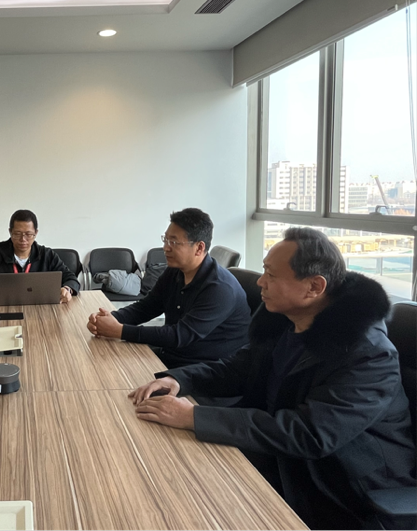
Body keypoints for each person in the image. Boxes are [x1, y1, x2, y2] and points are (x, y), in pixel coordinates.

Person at [129, 227, 416, 531]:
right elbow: (238, 369)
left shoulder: (369, 355)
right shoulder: (285, 320)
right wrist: (178, 380)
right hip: (281, 456)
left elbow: (309, 433)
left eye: (271, 275)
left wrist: (194, 417)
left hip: (343, 486)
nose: (260, 282)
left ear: (314, 286)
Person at [87, 208, 250, 367]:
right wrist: (109, 319)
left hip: (203, 369)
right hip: (173, 354)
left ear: (199, 248)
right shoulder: (174, 271)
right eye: (165, 240)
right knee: (102, 361)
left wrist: (120, 331)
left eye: (174, 242)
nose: (166, 247)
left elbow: (180, 335)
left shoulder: (220, 288)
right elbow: (146, 307)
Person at [0, 209, 80, 303]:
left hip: (41, 307)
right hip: (5, 307)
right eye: (17, 234)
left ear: (36, 233)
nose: (23, 239)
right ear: (10, 232)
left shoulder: (47, 255)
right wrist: (8, 291)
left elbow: (71, 279)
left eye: (28, 234)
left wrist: (67, 289)